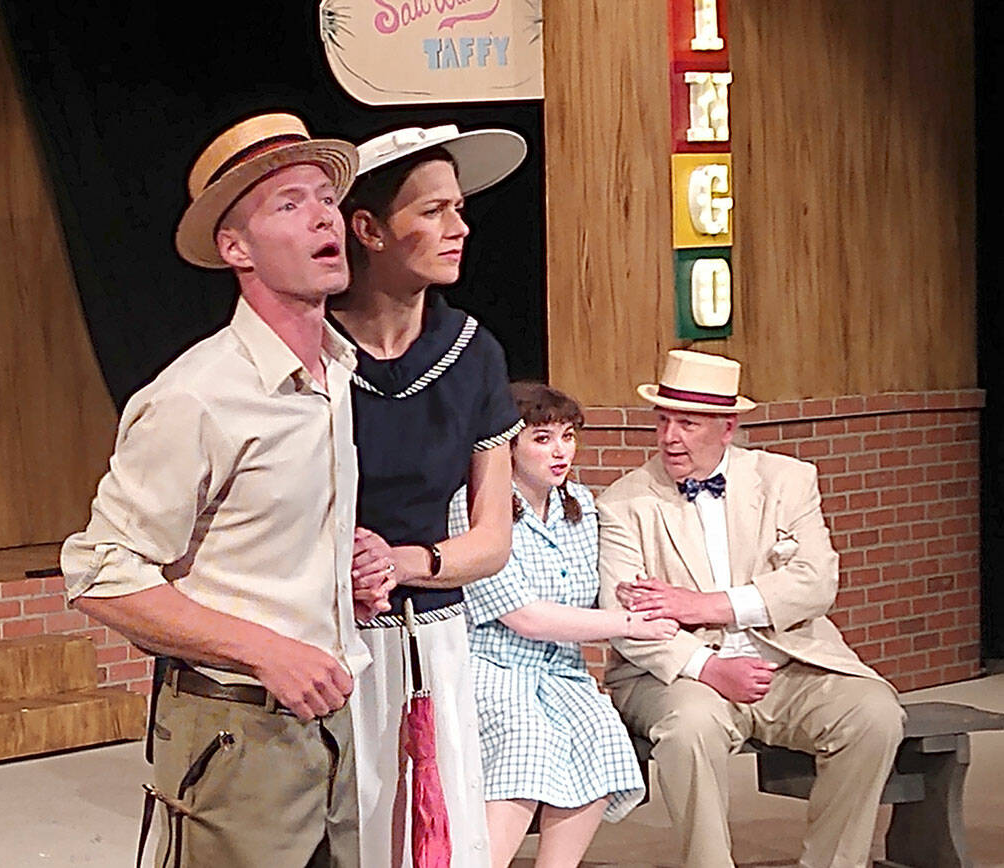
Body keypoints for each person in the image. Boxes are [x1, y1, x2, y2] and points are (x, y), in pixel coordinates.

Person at [59, 111, 375, 868]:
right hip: (236, 733)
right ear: (236, 248)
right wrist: (267, 650)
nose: (322, 217)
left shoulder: (337, 374)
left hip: (336, 721)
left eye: (323, 198)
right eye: (288, 205)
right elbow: (101, 573)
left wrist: (342, 566)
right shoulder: (197, 396)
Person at [596, 348, 905, 868]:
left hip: (790, 662)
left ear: (727, 428)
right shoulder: (623, 503)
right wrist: (712, 668)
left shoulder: (788, 480)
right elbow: (628, 620)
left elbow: (815, 583)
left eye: (688, 423)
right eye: (664, 420)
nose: (670, 437)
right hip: (680, 675)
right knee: (690, 732)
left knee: (874, 715)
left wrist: (705, 605)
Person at [325, 122, 528, 868]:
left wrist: (406, 562)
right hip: (325, 638)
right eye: (433, 211)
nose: (459, 227)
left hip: (429, 637)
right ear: (369, 230)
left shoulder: (473, 353)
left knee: (433, 836)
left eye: (459, 208)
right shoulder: (312, 353)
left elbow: (492, 539)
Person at [449, 381, 677, 868]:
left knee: (601, 737)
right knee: (527, 741)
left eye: (568, 436)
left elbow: (589, 592)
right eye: (543, 438)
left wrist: (629, 595)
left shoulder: (580, 506)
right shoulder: (469, 508)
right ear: (507, 446)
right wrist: (626, 622)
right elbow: (524, 617)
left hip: (561, 672)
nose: (560, 451)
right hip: (493, 666)